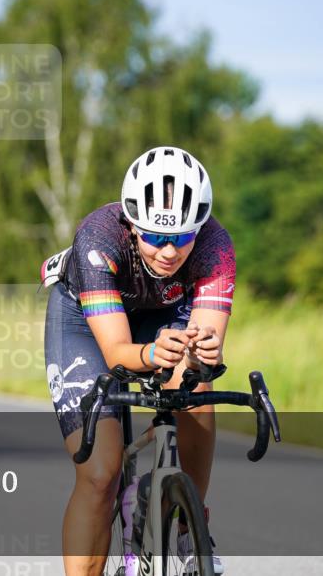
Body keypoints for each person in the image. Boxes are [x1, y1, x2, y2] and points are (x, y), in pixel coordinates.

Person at [42, 146, 235, 576]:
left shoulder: (216, 246)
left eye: (183, 238)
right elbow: (117, 354)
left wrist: (202, 353)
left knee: (195, 389)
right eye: (155, 237)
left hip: (166, 313)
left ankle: (188, 521)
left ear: (199, 230)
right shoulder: (98, 236)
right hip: (86, 322)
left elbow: (205, 339)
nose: (169, 251)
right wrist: (150, 354)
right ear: (131, 226)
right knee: (100, 475)